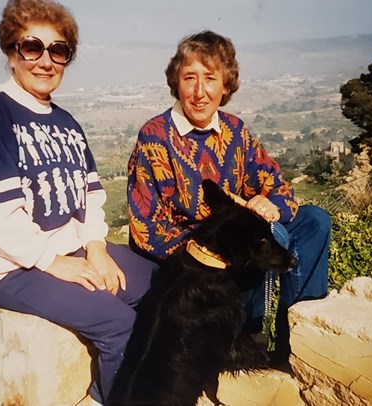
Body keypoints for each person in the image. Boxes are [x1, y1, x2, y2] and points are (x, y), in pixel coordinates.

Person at [0, 1, 156, 404]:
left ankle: (105, 391)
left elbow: (91, 195)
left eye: (58, 50)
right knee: (120, 323)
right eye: (32, 47)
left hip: (71, 249)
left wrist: (96, 248)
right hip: (11, 268)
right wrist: (52, 261)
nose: (45, 61)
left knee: (167, 287)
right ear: (11, 53)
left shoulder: (64, 121)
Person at [126, 30, 331, 364]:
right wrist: (207, 251)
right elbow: (145, 228)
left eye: (210, 78)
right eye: (189, 78)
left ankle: (297, 336)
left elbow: (280, 189)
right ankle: (247, 334)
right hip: (199, 261)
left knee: (315, 222)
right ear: (175, 82)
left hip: (243, 239)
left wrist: (271, 205)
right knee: (246, 242)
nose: (199, 91)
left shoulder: (236, 131)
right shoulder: (155, 137)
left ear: (226, 84)